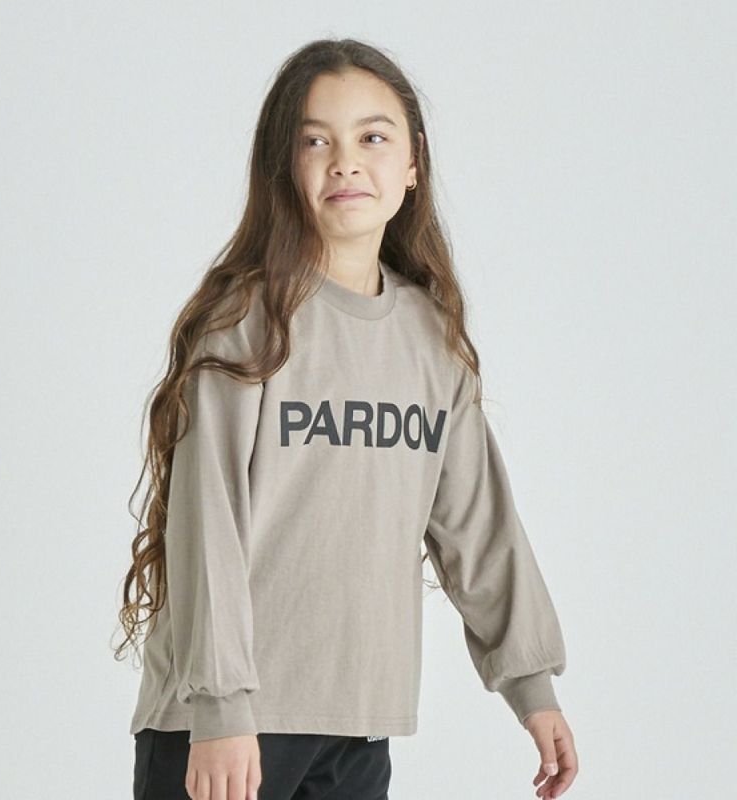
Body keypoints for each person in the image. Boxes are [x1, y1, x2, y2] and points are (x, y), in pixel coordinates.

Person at [113, 37, 579, 800]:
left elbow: (478, 526)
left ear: (413, 162)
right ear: (283, 166)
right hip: (230, 726)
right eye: (315, 142)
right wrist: (222, 709)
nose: (345, 163)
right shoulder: (245, 324)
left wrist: (533, 688)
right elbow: (207, 524)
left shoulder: (431, 340)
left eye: (372, 138)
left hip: (358, 725)